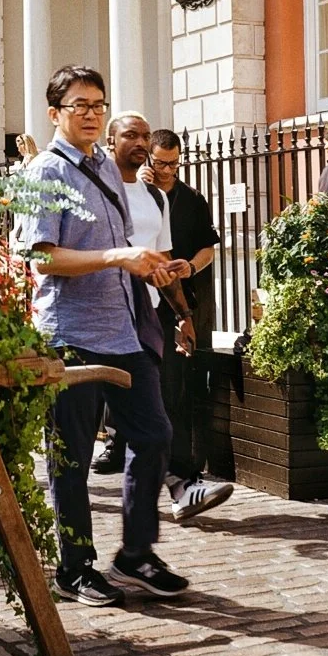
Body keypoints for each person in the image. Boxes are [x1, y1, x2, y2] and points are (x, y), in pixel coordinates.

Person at [22, 65, 189, 607]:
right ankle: (74, 569)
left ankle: (135, 553)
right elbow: (40, 258)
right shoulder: (45, 173)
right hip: (70, 334)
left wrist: (154, 268)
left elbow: (116, 251)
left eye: (98, 103)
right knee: (69, 456)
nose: (92, 113)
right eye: (79, 105)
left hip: (123, 329)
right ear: (55, 114)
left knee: (154, 434)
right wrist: (118, 256)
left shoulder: (106, 168)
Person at [98, 123, 233, 520]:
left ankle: (181, 484)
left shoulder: (164, 200)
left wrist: (183, 315)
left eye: (173, 163)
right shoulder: (104, 191)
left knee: (164, 401)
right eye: (132, 138)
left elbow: (168, 258)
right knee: (93, 412)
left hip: (150, 312)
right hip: (101, 314)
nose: (166, 168)